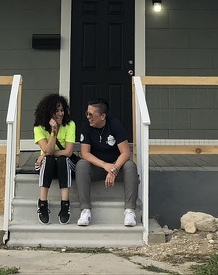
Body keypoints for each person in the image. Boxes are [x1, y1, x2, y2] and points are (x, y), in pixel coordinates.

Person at [75, 98, 139, 227]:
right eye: (87, 113)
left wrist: (114, 169)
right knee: (81, 165)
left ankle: (130, 211)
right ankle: (85, 210)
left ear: (103, 116)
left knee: (131, 166)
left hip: (116, 168)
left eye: (91, 114)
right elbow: (85, 153)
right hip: (97, 168)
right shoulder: (86, 126)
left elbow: (126, 152)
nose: (88, 117)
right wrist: (105, 165)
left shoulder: (115, 125)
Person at [32, 93, 75, 224]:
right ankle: (43, 204)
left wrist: (44, 154)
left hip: (65, 165)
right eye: (57, 111)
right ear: (49, 113)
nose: (61, 114)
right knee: (48, 160)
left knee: (62, 159)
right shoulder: (38, 127)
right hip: (47, 166)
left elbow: (68, 152)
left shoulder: (70, 125)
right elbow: (49, 151)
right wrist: (53, 131)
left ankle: (65, 204)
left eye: (62, 110)